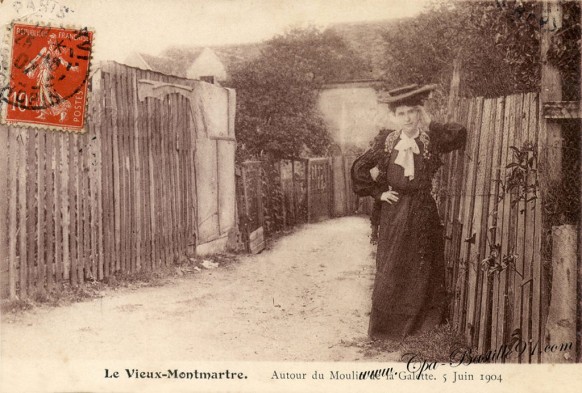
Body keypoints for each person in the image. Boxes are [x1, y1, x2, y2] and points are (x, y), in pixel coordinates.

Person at [351, 84, 466, 340]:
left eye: (412, 112)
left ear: (419, 114)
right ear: (395, 116)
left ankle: (422, 325)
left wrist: (430, 123)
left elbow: (459, 134)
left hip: (423, 210)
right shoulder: (388, 141)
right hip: (394, 213)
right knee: (393, 266)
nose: (407, 118)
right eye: (401, 113)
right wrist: (379, 194)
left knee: (422, 265)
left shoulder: (429, 140)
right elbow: (359, 168)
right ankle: (388, 329)